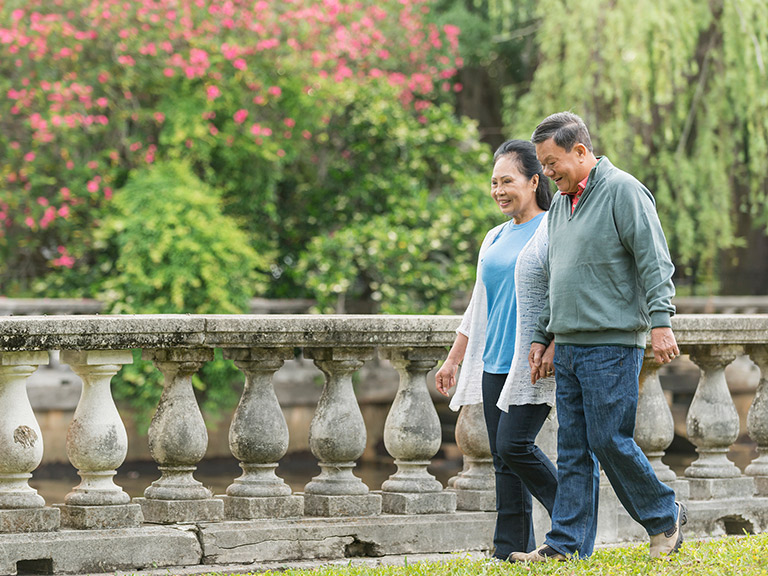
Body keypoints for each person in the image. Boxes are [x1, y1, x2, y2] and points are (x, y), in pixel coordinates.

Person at [508, 112, 686, 563]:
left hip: (611, 344)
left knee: (609, 440)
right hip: (567, 345)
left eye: (552, 163)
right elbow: (557, 278)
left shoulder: (622, 190)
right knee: (571, 450)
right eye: (543, 165)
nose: (547, 173)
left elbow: (654, 260)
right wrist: (541, 336)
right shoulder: (563, 205)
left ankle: (665, 517)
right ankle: (565, 546)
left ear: (581, 151)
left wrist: (661, 321)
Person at [435, 139, 558, 560]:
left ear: (533, 180)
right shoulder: (494, 237)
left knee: (514, 445)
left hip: (533, 361)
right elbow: (478, 306)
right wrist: (453, 358)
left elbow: (564, 294)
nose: (499, 190)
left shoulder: (552, 229)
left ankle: (574, 517)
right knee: (502, 460)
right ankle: (509, 550)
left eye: (508, 181)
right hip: (493, 362)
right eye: (494, 182)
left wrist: (553, 343)